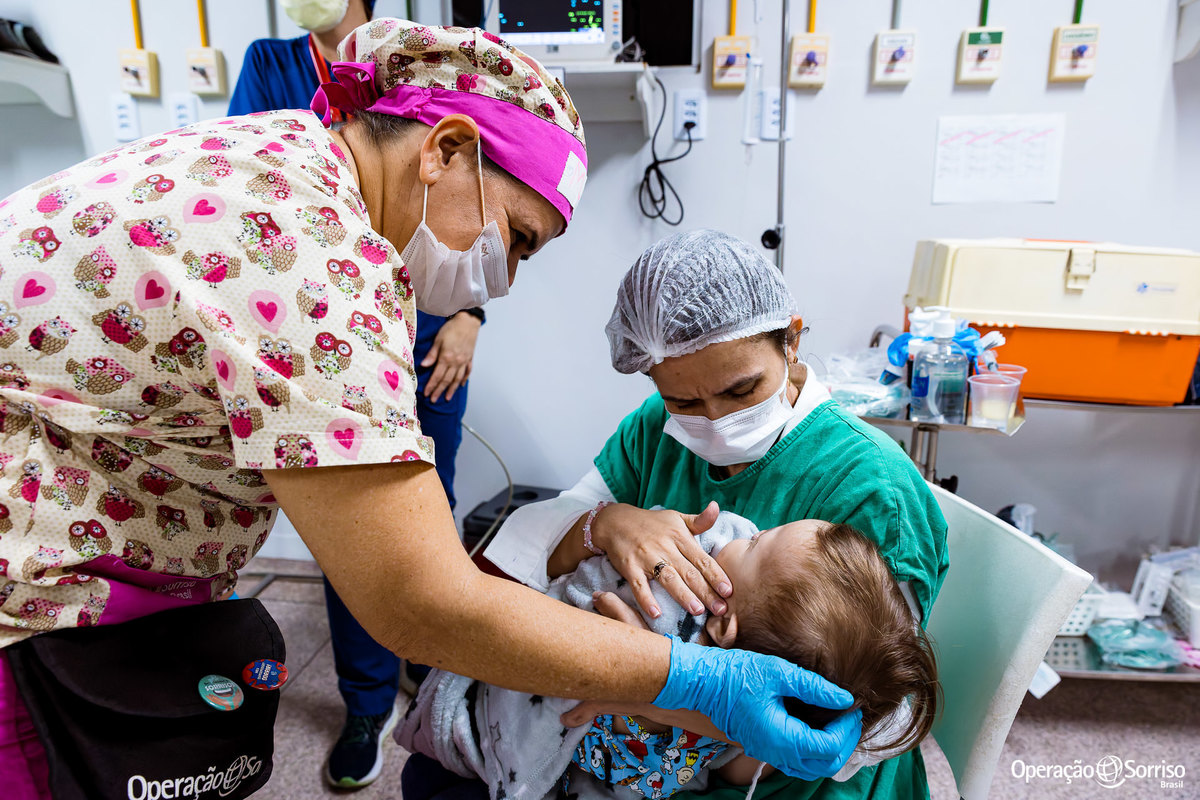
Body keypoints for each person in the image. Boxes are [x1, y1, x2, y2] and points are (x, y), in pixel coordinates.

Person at [0, 21, 859, 800]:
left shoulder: (282, 159)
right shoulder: (312, 261)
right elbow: (422, 600)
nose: (505, 280)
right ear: (446, 149)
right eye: (517, 239)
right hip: (34, 606)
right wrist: (691, 677)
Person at [484, 229, 949, 800]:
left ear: (791, 340)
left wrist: (656, 690)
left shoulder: (870, 486)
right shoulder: (655, 430)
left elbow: (877, 723)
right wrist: (603, 524)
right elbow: (524, 556)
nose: (715, 421)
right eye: (684, 401)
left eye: (741, 389)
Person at [229, 1, 484, 786]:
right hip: (327, 327)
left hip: (430, 328)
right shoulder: (271, 65)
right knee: (357, 523)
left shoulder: (419, 56)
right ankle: (367, 703)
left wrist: (471, 313)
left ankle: (428, 661)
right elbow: (253, 190)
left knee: (429, 508)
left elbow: (472, 200)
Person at [399, 510, 938, 800]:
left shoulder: (660, 611)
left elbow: (629, 763)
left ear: (723, 623)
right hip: (482, 678)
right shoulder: (676, 573)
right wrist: (605, 524)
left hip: (507, 758)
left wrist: (641, 694)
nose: (739, 527)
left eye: (755, 543)